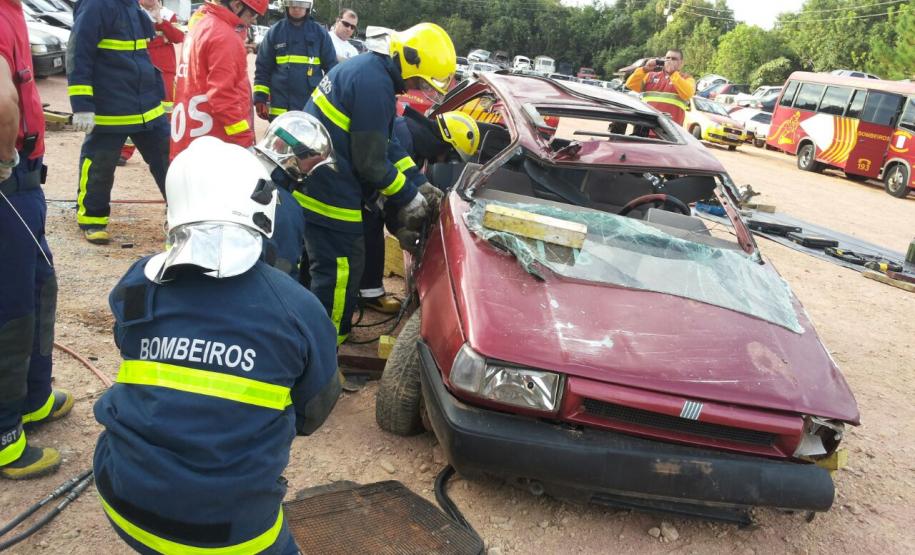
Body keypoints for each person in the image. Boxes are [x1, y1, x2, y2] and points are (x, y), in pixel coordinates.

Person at [93, 137, 340, 554]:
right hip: (229, 534)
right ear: (263, 208)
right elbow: (313, 411)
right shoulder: (296, 308)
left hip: (121, 501)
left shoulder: (138, 282)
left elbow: (128, 343)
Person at [301, 22, 455, 344]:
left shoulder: (373, 73)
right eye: (420, 80)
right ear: (410, 63)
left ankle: (306, 333)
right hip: (328, 188)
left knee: (320, 267)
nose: (417, 87)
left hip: (320, 178)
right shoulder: (375, 85)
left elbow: (385, 144)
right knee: (341, 271)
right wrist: (410, 197)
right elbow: (370, 163)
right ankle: (328, 347)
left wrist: (417, 181)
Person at [1, 0, 73, 480]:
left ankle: (33, 397)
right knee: (10, 307)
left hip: (25, 180)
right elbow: (2, 101)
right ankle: (4, 434)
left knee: (38, 286)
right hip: (10, 182)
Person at [68, 0, 172, 244]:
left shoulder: (131, 6)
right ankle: (92, 219)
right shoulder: (96, 5)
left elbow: (142, 55)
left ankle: (183, 216)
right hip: (111, 108)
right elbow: (78, 53)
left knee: (169, 161)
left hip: (148, 107)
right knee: (99, 166)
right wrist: (82, 105)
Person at [357, 109, 481, 315]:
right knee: (360, 241)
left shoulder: (413, 140)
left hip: (366, 197)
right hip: (357, 193)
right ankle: (361, 297)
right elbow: (382, 182)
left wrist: (398, 228)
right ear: (445, 144)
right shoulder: (404, 138)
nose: (441, 162)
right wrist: (402, 215)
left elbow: (392, 196)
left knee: (372, 235)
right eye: (448, 157)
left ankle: (369, 293)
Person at [170, 0, 266, 159]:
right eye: (253, 14)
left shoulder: (203, 23)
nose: (254, 20)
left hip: (192, 141)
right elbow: (223, 97)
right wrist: (244, 140)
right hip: (214, 142)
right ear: (237, 5)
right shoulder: (225, 36)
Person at [253, 111, 336, 277]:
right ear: (293, 155)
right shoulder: (285, 207)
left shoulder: (238, 168)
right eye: (312, 164)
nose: (311, 173)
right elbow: (283, 274)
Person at [119, 0, 185, 165]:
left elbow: (178, 37)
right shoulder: (133, 11)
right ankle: (124, 152)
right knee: (134, 110)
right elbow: (139, 39)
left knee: (167, 111)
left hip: (165, 70)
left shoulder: (168, 15)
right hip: (142, 67)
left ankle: (170, 152)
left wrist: (161, 23)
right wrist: (161, 38)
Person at [253, 0, 336, 122]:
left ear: (308, 7)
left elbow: (332, 70)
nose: (296, 8)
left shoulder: (320, 34)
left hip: (309, 108)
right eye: (292, 3)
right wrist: (260, 98)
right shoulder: (275, 32)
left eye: (301, 5)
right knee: (280, 141)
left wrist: (332, 101)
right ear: (286, 5)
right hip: (280, 109)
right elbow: (263, 68)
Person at [624, 49, 695, 126]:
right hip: (645, 128)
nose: (670, 61)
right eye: (667, 58)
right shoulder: (650, 75)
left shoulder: (687, 79)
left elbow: (688, 94)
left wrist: (673, 74)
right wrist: (645, 69)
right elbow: (630, 84)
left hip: (670, 131)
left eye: (674, 59)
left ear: (681, 63)